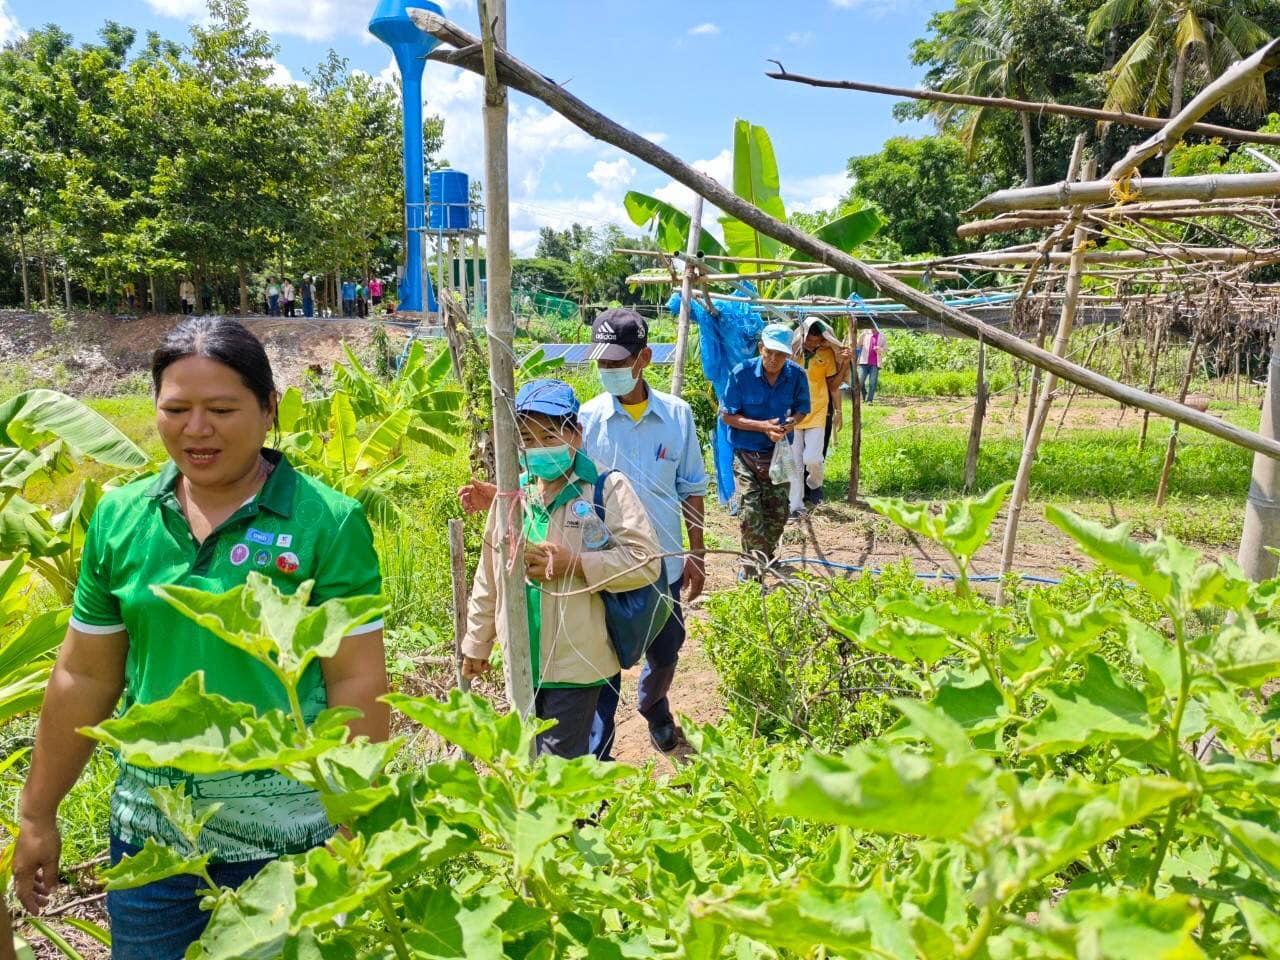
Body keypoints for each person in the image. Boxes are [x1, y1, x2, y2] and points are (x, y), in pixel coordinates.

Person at [12, 317, 387, 959]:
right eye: (176, 409)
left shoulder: (327, 521)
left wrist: (354, 824)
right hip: (154, 841)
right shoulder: (120, 519)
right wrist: (37, 812)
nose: (196, 429)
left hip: (290, 842)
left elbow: (356, 678)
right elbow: (86, 677)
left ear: (269, 409)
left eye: (221, 408)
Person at [458, 309, 708, 758]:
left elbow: (689, 489)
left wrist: (697, 552)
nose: (608, 371)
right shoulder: (587, 418)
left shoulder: (674, 419)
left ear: (643, 358)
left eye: (617, 362)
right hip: (548, 644)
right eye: (602, 363)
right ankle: (598, 768)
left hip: (652, 571)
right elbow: (538, 495)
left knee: (663, 653)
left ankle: (653, 710)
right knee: (582, 727)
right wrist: (502, 495)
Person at [460, 379, 663, 759]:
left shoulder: (605, 488)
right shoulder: (511, 495)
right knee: (530, 761)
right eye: (528, 439)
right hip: (523, 664)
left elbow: (645, 560)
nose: (539, 447)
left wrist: (575, 564)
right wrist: (477, 641)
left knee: (558, 768)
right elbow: (488, 577)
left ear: (576, 434)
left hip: (579, 666)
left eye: (550, 434)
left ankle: (583, 817)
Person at [721, 322, 810, 579]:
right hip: (746, 455)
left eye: (780, 354)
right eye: (769, 352)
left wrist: (791, 422)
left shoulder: (796, 376)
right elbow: (728, 415)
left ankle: (766, 556)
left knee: (778, 512)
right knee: (751, 513)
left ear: (788, 354)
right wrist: (762, 427)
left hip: (778, 456)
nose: (773, 359)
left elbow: (803, 409)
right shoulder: (741, 374)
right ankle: (750, 567)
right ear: (761, 348)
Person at [789, 318, 848, 517]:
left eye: (816, 341)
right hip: (793, 415)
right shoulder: (790, 354)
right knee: (795, 462)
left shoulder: (826, 355)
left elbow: (833, 384)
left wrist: (838, 411)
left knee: (812, 458)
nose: (812, 344)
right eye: (809, 340)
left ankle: (814, 485)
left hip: (817, 412)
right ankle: (795, 506)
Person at [858, 325, 886, 404]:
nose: (872, 329)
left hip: (875, 363)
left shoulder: (882, 336)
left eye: (874, 327)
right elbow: (858, 344)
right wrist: (861, 336)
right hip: (864, 362)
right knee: (860, 381)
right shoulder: (865, 334)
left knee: (872, 382)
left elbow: (885, 349)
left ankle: (869, 400)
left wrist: (880, 349)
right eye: (871, 327)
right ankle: (864, 394)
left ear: (877, 327)